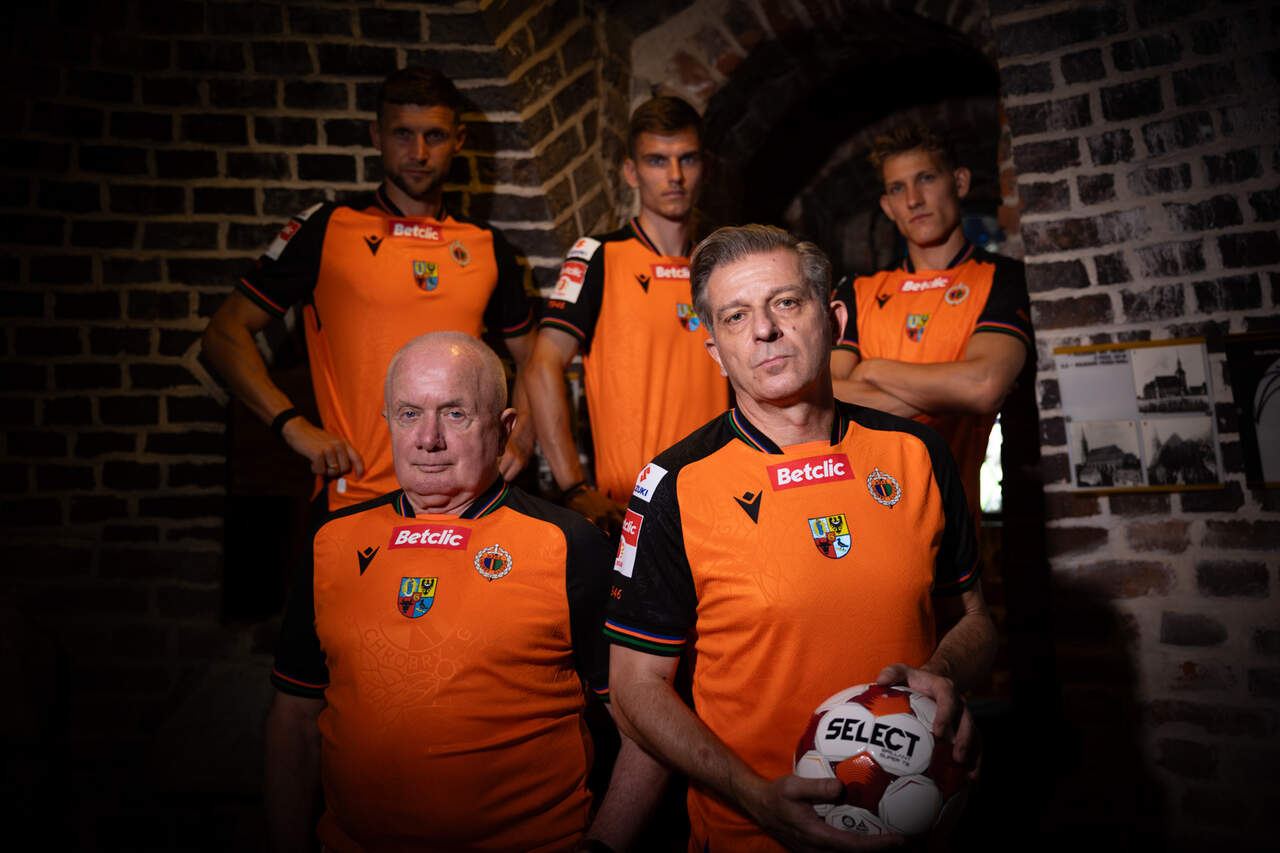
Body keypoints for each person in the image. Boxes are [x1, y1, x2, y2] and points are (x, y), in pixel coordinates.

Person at [605, 226, 996, 851]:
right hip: (750, 835)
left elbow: (974, 620)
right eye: (735, 316)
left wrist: (945, 671)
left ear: (834, 321)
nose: (764, 330)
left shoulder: (918, 452)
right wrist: (754, 798)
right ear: (715, 349)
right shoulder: (674, 485)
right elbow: (635, 688)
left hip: (917, 828)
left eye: (785, 302)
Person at [265, 331, 664, 853]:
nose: (428, 439)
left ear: (504, 430)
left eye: (455, 414)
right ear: (388, 423)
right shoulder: (331, 542)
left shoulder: (570, 545)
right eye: (409, 414)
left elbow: (649, 729)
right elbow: (294, 721)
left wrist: (602, 849)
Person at [202, 67, 536, 513]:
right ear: (377, 136)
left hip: (467, 504)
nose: (418, 153)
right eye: (403, 134)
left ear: (458, 140)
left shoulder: (486, 245)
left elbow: (534, 358)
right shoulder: (328, 228)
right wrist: (293, 426)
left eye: (434, 136)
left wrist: (522, 438)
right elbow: (224, 334)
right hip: (358, 497)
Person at [524, 96, 729, 536]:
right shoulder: (599, 256)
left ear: (705, 167)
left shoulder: (723, 267)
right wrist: (574, 488)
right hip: (632, 510)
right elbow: (542, 365)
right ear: (631, 172)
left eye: (687, 159)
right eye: (657, 161)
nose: (675, 176)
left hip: (720, 504)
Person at [830, 125, 1033, 526]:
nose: (914, 200)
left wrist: (872, 370)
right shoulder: (858, 290)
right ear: (888, 206)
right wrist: (948, 393)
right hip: (858, 516)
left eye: (926, 178)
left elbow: (983, 386)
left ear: (959, 182)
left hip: (951, 521)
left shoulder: (1000, 278)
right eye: (897, 188)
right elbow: (824, 398)